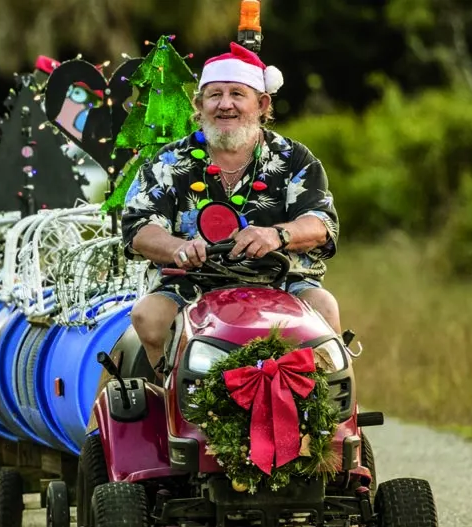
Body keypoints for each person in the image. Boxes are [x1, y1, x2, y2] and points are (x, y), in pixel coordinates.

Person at [121, 42, 342, 374]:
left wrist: (277, 235)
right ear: (199, 105)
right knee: (147, 317)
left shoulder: (295, 158)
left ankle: (328, 417)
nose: (225, 105)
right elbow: (139, 228)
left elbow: (320, 222)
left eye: (237, 94)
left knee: (324, 306)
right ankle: (174, 405)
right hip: (192, 281)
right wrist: (179, 247)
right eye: (214, 95)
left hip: (281, 279)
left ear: (262, 103)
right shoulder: (168, 161)